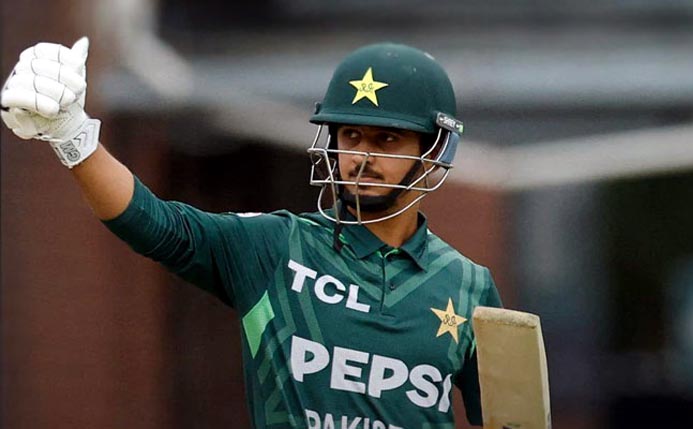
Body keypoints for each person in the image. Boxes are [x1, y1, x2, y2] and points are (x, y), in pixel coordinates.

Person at [1, 38, 502, 429]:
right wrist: (72, 136)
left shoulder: (469, 285)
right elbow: (154, 224)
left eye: (387, 139)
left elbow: (511, 418)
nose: (362, 157)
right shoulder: (274, 246)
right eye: (351, 136)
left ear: (434, 152)